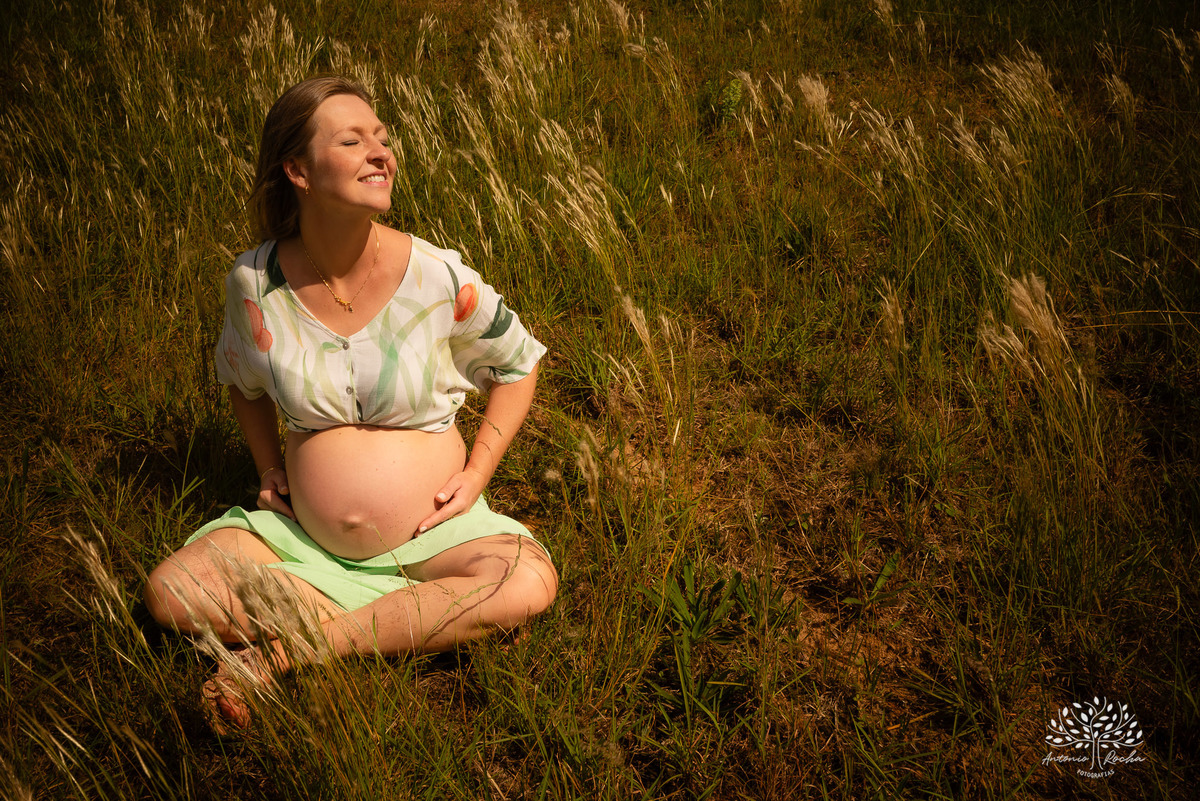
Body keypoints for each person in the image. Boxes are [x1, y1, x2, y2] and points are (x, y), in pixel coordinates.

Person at [143, 76, 558, 733]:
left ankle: (288, 650)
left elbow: (519, 362)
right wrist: (266, 467)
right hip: (307, 541)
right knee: (171, 591)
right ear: (297, 169)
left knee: (529, 577)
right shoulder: (255, 282)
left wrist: (478, 472)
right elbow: (241, 379)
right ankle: (422, 620)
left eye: (384, 140)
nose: (381, 152)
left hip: (434, 538)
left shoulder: (436, 275)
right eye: (353, 139)